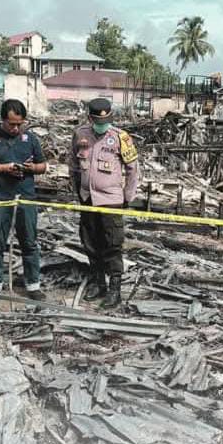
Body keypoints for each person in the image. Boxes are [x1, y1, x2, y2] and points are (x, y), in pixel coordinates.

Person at [0, 99, 47, 303]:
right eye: (12, 124)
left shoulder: (29, 138)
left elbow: (43, 166)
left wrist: (30, 169)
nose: (16, 128)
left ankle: (33, 285)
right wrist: (4, 168)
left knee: (29, 242)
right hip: (0, 197)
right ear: (2, 119)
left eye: (19, 124)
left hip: (26, 197)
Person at [68, 98, 139, 308]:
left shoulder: (120, 137)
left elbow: (133, 169)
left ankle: (114, 290)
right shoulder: (80, 134)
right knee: (90, 243)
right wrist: (77, 191)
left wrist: (127, 196)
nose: (102, 123)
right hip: (88, 199)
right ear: (90, 117)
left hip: (111, 200)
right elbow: (73, 164)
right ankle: (98, 282)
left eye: (106, 119)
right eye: (98, 120)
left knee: (112, 245)